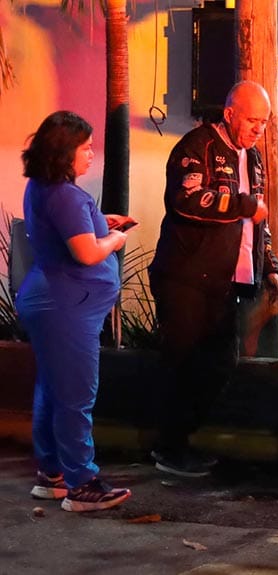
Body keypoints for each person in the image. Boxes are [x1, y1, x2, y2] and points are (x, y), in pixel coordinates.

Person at [148, 81, 278, 477]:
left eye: (265, 122)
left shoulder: (254, 158)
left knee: (221, 364)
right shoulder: (197, 146)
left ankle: (179, 441)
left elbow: (259, 221)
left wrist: (269, 265)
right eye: (253, 120)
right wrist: (244, 205)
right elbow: (186, 200)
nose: (259, 129)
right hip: (186, 277)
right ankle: (169, 449)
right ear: (229, 114)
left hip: (230, 281)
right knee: (183, 363)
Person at [16, 111, 133, 512]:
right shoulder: (65, 195)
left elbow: (69, 231)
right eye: (85, 148)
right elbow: (85, 252)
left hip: (53, 301)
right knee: (76, 393)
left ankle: (53, 474)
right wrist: (114, 238)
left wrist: (100, 221)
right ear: (65, 153)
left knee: (53, 388)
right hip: (67, 307)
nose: (90, 153)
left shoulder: (43, 187)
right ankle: (82, 483)